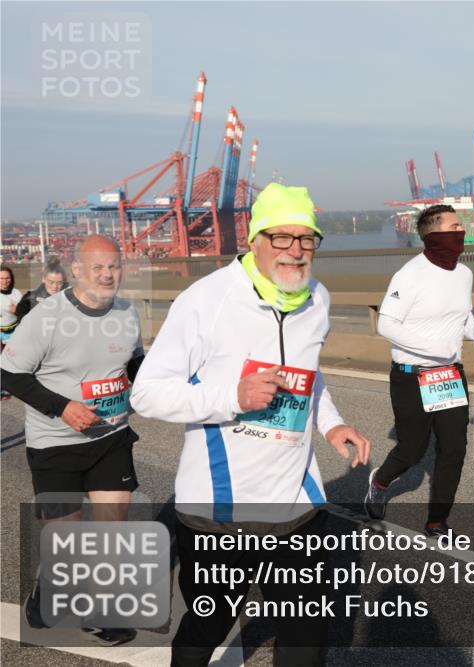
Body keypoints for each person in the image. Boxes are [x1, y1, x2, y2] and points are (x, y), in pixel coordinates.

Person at [130, 183, 371, 666]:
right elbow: (147, 391)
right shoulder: (207, 300)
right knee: (205, 628)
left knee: (306, 637)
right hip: (219, 514)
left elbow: (309, 373)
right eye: (282, 237)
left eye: (307, 239)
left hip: (298, 509)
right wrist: (232, 398)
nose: (296, 251)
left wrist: (331, 424)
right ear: (255, 238)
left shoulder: (316, 298)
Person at [0, 236, 144, 646]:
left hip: (111, 437)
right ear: (76, 271)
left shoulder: (127, 312)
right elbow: (8, 374)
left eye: (114, 266)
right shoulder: (46, 318)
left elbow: (134, 361)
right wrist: (62, 407)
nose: (107, 274)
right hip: (55, 444)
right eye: (97, 267)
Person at [364, 204, 474, 536]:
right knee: (411, 450)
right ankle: (379, 481)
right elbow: (387, 324)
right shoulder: (409, 275)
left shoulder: (464, 273)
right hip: (411, 375)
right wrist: (431, 348)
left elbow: (462, 313)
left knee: (454, 448)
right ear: (434, 234)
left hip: (449, 375)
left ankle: (437, 520)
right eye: (455, 226)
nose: (461, 231)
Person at [16, 257, 67, 321]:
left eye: (59, 282)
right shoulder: (30, 299)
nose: (55, 286)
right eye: (51, 282)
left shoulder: (70, 298)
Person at [1, 263, 23, 399]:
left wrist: (18, 310)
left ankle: (13, 387)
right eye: (1, 278)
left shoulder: (16, 293)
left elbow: (24, 313)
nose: (4, 281)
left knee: (12, 361)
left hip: (13, 330)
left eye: (7, 278)